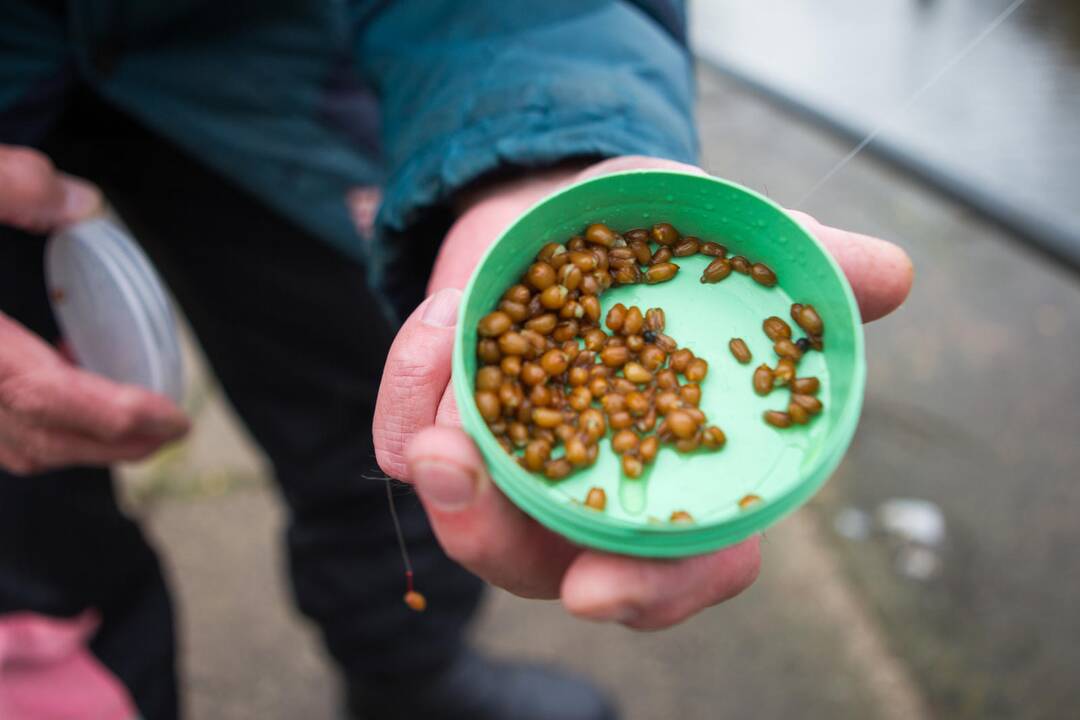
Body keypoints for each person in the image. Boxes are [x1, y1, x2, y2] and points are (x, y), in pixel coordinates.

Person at [0, 2, 914, 719]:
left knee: (384, 400)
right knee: (35, 570)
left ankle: (405, 675)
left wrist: (530, 146)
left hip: (272, 58)